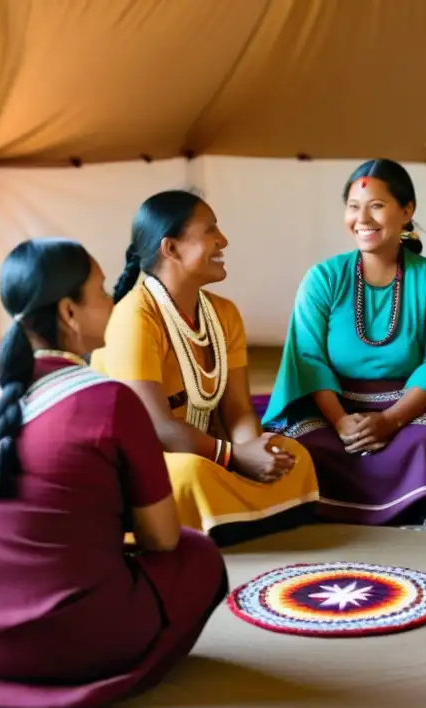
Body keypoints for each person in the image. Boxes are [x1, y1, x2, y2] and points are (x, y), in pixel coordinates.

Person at [0, 238, 229, 708]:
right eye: (102, 291)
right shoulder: (109, 400)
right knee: (199, 556)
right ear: (68, 313)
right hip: (65, 639)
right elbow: (162, 539)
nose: (113, 301)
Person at [92, 190, 318, 546]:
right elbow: (159, 428)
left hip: (212, 452)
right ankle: (236, 516)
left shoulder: (224, 313)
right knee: (191, 473)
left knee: (295, 456)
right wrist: (235, 456)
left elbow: (239, 409)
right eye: (210, 229)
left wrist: (254, 451)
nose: (223, 239)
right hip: (153, 459)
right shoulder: (135, 316)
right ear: (171, 249)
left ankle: (227, 518)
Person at [263, 159, 426, 526]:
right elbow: (308, 358)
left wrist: (391, 421)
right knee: (303, 446)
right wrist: (342, 422)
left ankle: (399, 502)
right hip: (333, 407)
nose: (363, 218)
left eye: (376, 206)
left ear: (407, 211)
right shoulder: (323, 278)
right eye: (353, 206)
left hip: (411, 409)